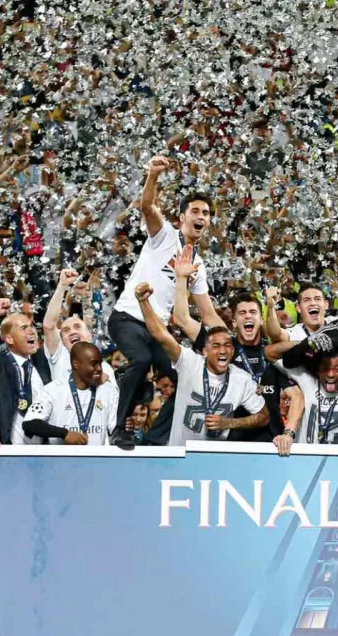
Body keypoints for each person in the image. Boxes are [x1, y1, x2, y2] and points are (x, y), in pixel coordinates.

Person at [107, 155, 223, 449]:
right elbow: (147, 206)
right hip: (127, 318)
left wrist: (228, 340)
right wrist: (153, 175)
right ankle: (119, 429)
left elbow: (208, 314)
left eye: (206, 213)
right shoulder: (164, 236)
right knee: (141, 360)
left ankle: (155, 438)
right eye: (195, 211)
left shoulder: (197, 264)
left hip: (156, 331)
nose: (200, 216)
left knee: (185, 378)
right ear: (182, 218)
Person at [134, 282, 269, 446]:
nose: (222, 351)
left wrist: (229, 423)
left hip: (215, 457)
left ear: (233, 351)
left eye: (227, 345)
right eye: (216, 346)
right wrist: (143, 302)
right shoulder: (189, 363)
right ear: (205, 351)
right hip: (181, 454)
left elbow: (263, 417)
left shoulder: (242, 379)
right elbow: (161, 335)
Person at [171, 250, 283, 442]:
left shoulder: (273, 353)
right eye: (242, 313)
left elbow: (296, 394)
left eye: (253, 312)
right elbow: (182, 319)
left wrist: (288, 433)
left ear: (261, 320)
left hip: (270, 442)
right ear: (233, 322)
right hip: (231, 443)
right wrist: (181, 279)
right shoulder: (222, 346)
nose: (248, 316)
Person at [0, 298, 52, 445]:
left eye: (32, 326)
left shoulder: (42, 360)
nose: (32, 331)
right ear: (9, 339)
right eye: (24, 328)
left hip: (45, 448)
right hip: (11, 450)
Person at [22, 342, 118, 446]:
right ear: (76, 364)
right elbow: (29, 424)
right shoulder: (53, 390)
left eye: (100, 363)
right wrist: (64, 434)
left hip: (98, 456)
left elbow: (115, 429)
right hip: (62, 456)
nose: (99, 368)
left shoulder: (108, 390)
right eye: (94, 364)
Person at [43, 268, 117, 386]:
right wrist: (62, 285)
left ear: (89, 335)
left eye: (77, 327)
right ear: (62, 340)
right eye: (66, 330)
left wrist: (87, 297)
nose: (72, 331)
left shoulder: (104, 369)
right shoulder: (60, 356)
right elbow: (49, 326)